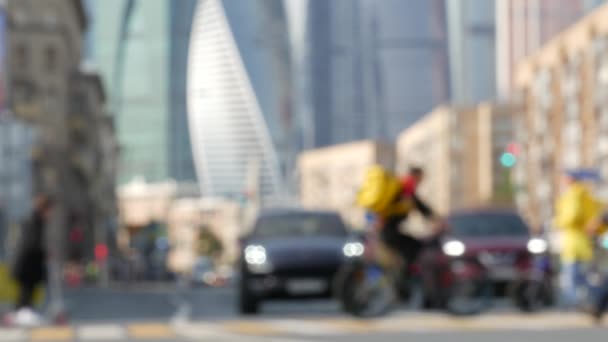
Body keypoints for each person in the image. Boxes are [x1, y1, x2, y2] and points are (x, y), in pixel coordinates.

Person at [553, 170, 602, 310]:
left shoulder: (574, 194)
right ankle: (596, 298)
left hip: (573, 243)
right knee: (583, 276)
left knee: (572, 276)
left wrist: (558, 222)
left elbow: (572, 215)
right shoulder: (585, 194)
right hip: (583, 242)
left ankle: (576, 302)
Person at [12, 194, 53, 313]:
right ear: (44, 209)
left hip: (28, 264)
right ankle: (21, 314)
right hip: (27, 264)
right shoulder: (35, 221)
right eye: (49, 211)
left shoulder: (35, 220)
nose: (50, 215)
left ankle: (24, 312)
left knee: (27, 291)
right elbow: (32, 243)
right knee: (26, 291)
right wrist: (45, 252)